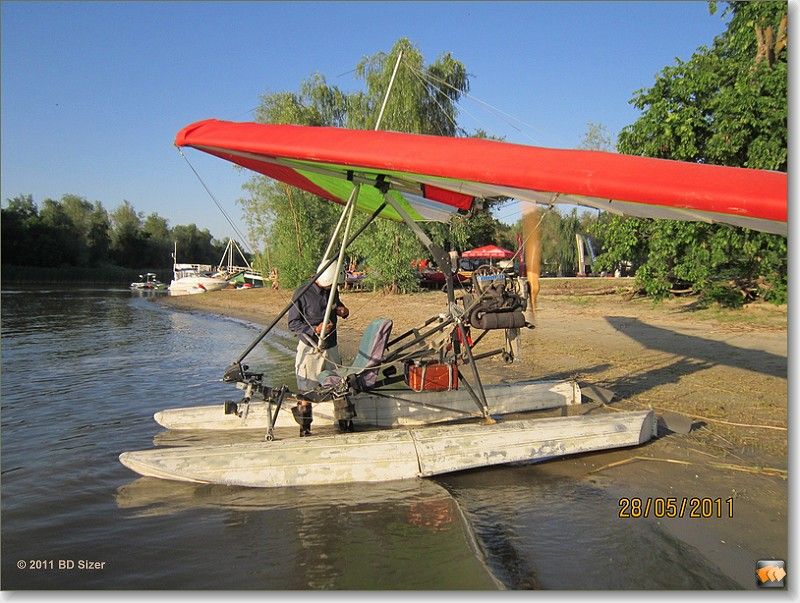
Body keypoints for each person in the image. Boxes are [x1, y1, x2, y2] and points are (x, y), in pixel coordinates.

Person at [287, 262, 349, 393]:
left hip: (331, 347)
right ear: (327, 279)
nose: (334, 287)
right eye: (333, 284)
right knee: (307, 391)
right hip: (311, 349)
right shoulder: (302, 293)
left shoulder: (332, 291)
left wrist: (343, 311)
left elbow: (336, 305)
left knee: (338, 388)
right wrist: (316, 329)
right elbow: (293, 323)